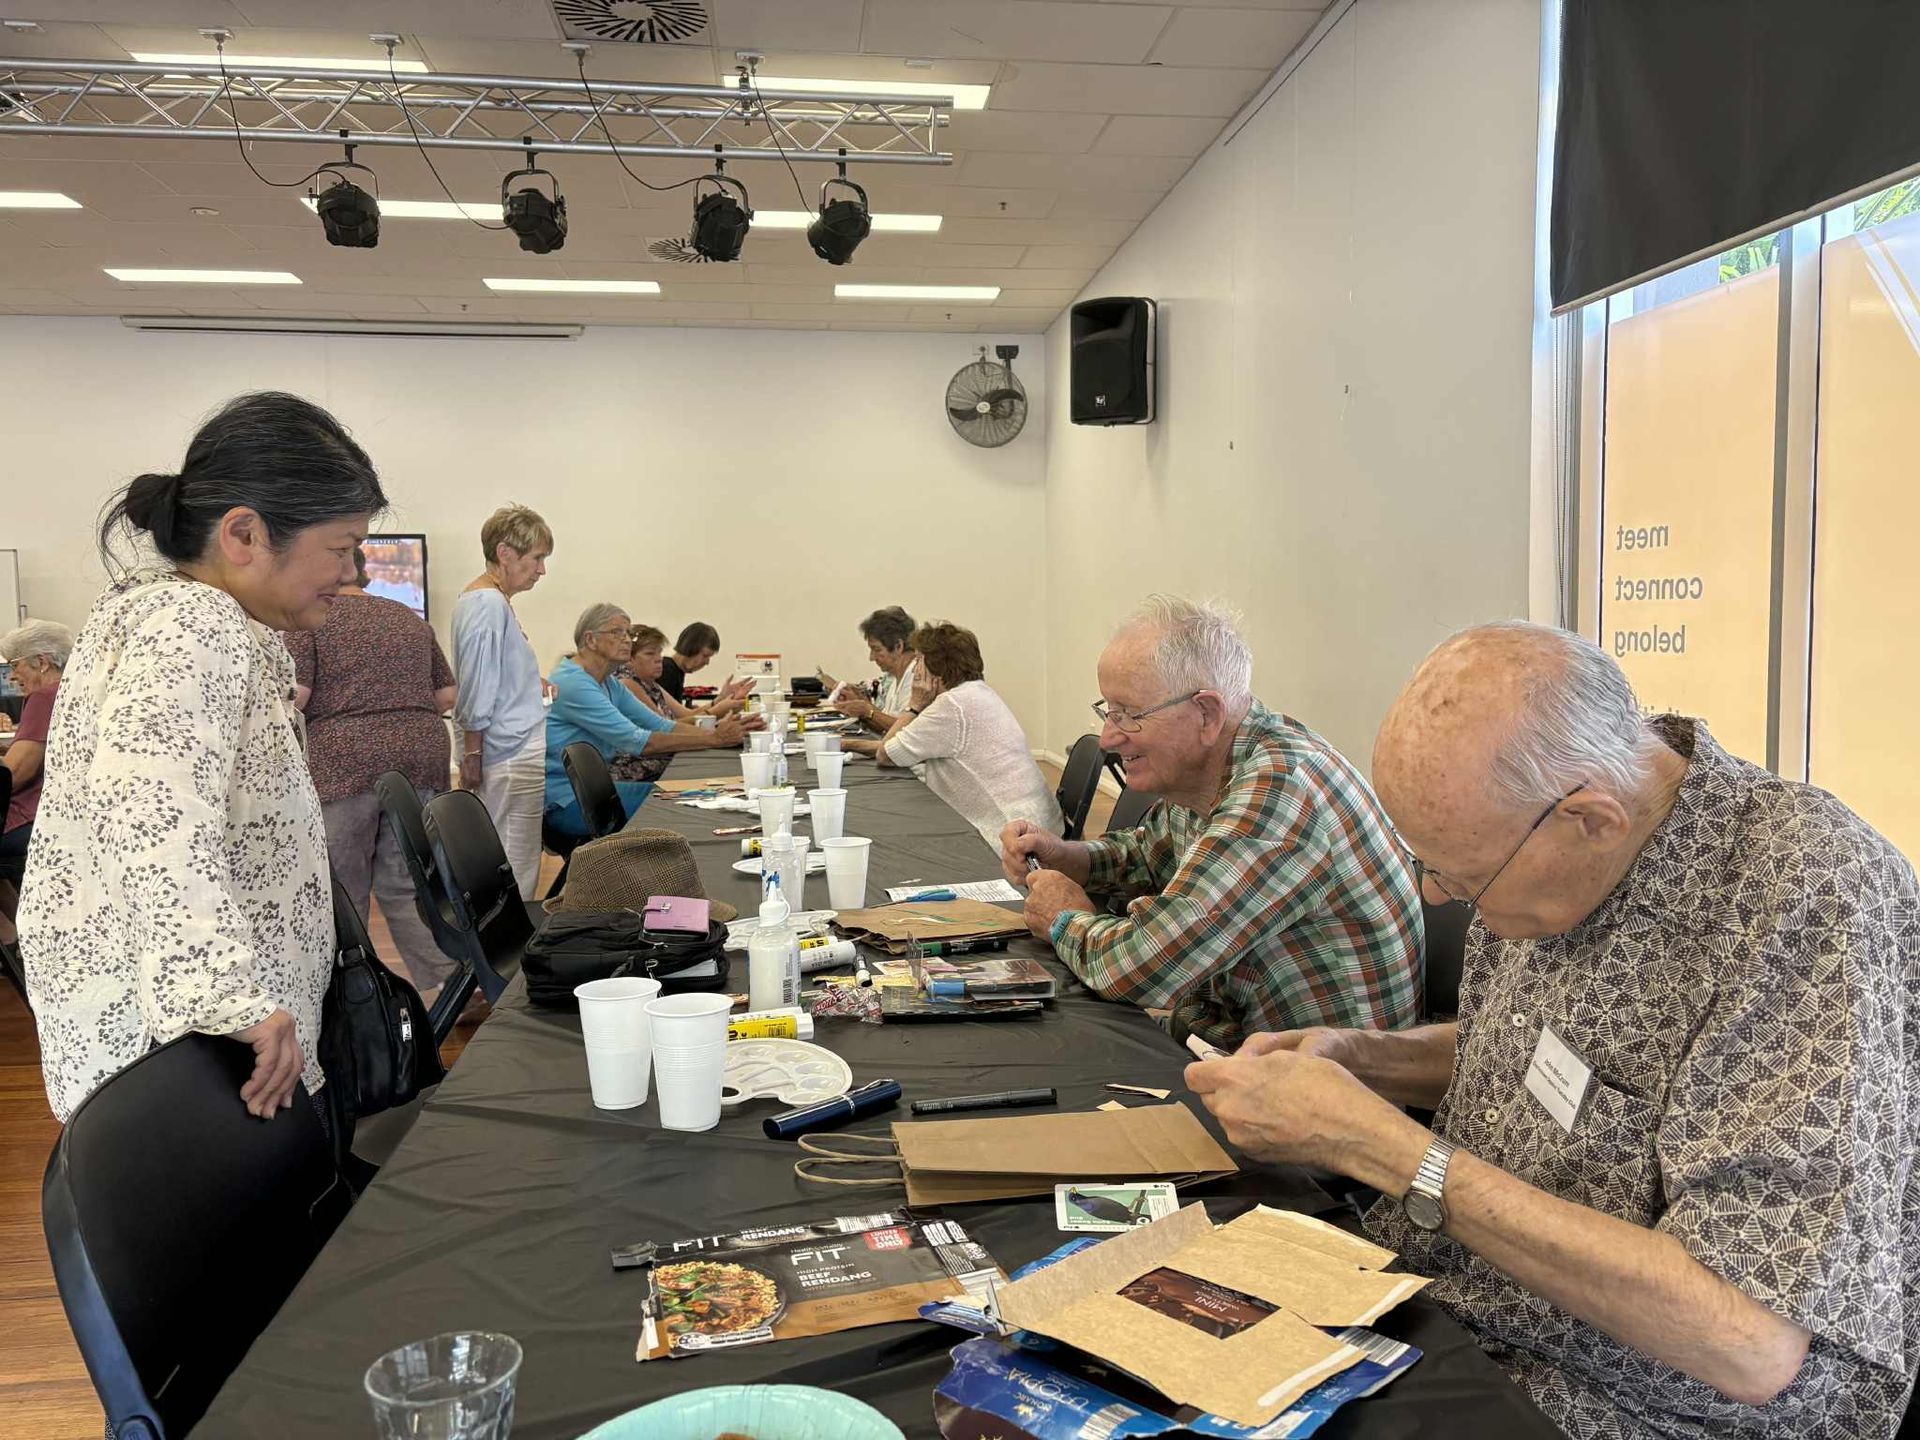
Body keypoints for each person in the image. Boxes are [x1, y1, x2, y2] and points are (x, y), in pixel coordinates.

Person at [1186, 622, 1920, 1438]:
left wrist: (1386, 1152)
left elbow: (1748, 1339)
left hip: (1635, 1402)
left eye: (1463, 876)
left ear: (1589, 819)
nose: (1434, 896)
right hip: (1462, 1304)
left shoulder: (1804, 902)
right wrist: (1367, 1060)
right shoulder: (1552, 848)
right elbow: (1545, 1054)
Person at [19, 391, 385, 1123]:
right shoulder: (194, 622)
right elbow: (149, 817)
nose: (354, 575)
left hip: (201, 1035)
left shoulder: (181, 616)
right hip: (193, 1047)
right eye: (341, 549)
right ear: (244, 534)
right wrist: (227, 999)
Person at [1001, 595, 1422, 1049]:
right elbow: (1149, 853)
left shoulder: (1281, 790)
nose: (1108, 737)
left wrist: (1064, 916)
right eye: (1108, 710)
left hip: (1318, 1090)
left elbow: (1140, 966)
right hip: (1240, 1054)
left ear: (1206, 713)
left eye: (1129, 715)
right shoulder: (1213, 766)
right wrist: (1069, 857)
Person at [285, 547, 458, 997]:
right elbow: (446, 695)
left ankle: (353, 992)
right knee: (408, 883)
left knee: (344, 887)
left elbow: (295, 697)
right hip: (420, 757)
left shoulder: (311, 619)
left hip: (343, 763)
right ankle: (445, 981)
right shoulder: (407, 617)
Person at [843, 621, 1062, 851]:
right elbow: (902, 747)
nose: (915, 668)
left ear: (933, 670)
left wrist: (915, 705)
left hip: (1010, 840)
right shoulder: (977, 692)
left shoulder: (952, 707)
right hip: (1040, 826)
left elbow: (886, 754)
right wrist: (849, 744)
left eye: (918, 661)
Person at [545, 604, 749, 838]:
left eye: (628, 633)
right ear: (591, 640)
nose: (627, 640)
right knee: (689, 805)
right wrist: (715, 739)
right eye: (618, 633)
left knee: (698, 796)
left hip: (596, 790)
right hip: (567, 799)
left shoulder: (608, 682)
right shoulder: (574, 683)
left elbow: (662, 725)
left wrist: (716, 735)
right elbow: (638, 741)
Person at [452, 504, 552, 901]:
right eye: (537, 558)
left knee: (516, 858)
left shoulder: (489, 601)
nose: (541, 570)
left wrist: (531, 683)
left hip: (506, 748)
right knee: (513, 861)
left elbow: (494, 674)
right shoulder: (487, 604)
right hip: (506, 752)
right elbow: (477, 685)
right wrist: (473, 752)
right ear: (506, 552)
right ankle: (511, 953)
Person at [0, 619, 71, 890]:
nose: (12, 676)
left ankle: (8, 932)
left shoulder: (44, 698)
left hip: (29, 817)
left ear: (41, 662)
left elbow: (13, 776)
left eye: (14, 665)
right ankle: (9, 932)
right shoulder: (66, 692)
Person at [624, 624, 754, 722]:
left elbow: (686, 715)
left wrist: (721, 699)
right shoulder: (629, 683)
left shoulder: (650, 684)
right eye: (650, 653)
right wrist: (718, 712)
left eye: (659, 652)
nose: (659, 658)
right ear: (629, 657)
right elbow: (664, 727)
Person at [826, 605, 919, 734]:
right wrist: (859, 702)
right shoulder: (895, 677)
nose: (871, 657)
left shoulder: (918, 679)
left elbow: (906, 731)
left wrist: (867, 711)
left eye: (876, 649)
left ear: (898, 646)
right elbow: (886, 728)